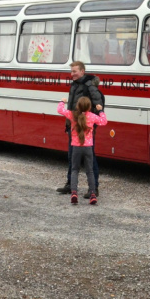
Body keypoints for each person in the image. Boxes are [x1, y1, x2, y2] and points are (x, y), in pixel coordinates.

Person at [56, 61, 104, 198]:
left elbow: (99, 105)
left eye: (75, 71)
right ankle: (70, 185)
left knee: (90, 159)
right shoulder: (75, 85)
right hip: (73, 128)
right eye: (71, 71)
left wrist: (90, 125)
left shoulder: (89, 86)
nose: (72, 74)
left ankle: (94, 188)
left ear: (82, 71)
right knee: (72, 157)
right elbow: (71, 107)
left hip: (85, 130)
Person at [57, 96, 107, 205]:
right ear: (89, 107)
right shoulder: (92, 116)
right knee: (90, 171)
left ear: (77, 106)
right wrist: (100, 110)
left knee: (75, 170)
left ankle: (74, 193)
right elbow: (104, 121)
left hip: (76, 147)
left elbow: (60, 110)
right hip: (88, 148)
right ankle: (92, 194)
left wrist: (62, 101)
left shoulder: (72, 115)